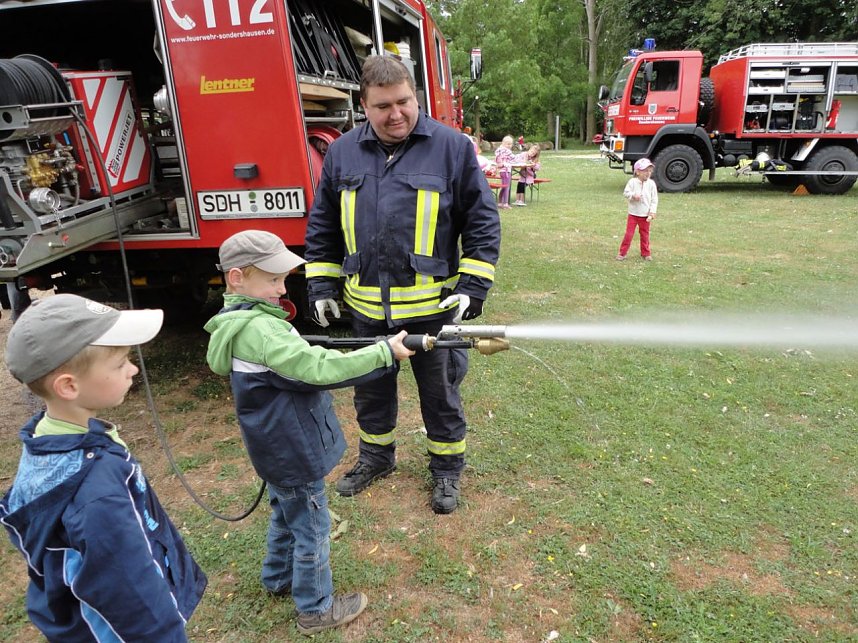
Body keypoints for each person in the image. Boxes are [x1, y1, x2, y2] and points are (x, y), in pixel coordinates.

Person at [304, 55, 501, 515]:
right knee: (370, 391)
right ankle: (376, 458)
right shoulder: (342, 153)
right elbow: (324, 223)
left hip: (432, 310)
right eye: (383, 106)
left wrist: (473, 286)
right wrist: (321, 287)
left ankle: (446, 470)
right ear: (363, 106)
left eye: (404, 102)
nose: (396, 114)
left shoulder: (452, 148)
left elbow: (481, 221)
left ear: (416, 96)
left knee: (440, 396)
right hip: (366, 310)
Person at [204, 230, 414, 635]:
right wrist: (383, 352)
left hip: (274, 449)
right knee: (312, 529)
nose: (282, 289)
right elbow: (318, 368)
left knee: (287, 513)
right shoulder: (261, 332)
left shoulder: (240, 323)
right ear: (237, 278)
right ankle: (316, 609)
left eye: (283, 279)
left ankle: (276, 577)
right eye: (273, 280)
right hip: (292, 450)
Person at [0, 294, 207, 641]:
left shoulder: (45, 439)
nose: (133, 369)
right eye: (120, 363)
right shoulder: (96, 494)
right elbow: (134, 595)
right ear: (69, 386)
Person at [617, 158, 658, 261]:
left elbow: (654, 199)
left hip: (645, 215)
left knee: (645, 235)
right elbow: (626, 193)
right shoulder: (632, 182)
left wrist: (652, 212)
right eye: (645, 171)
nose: (648, 173)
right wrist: (633, 196)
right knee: (629, 234)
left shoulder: (651, 184)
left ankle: (646, 253)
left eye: (649, 171)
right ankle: (622, 253)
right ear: (637, 172)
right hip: (633, 214)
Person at [494, 135, 515, 209]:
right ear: (503, 143)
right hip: (506, 170)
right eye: (508, 144)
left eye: (510, 144)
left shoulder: (498, 150)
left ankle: (500, 202)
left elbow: (496, 159)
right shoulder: (507, 151)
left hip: (501, 171)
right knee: (506, 187)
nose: (509, 145)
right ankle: (505, 203)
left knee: (503, 186)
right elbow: (513, 158)